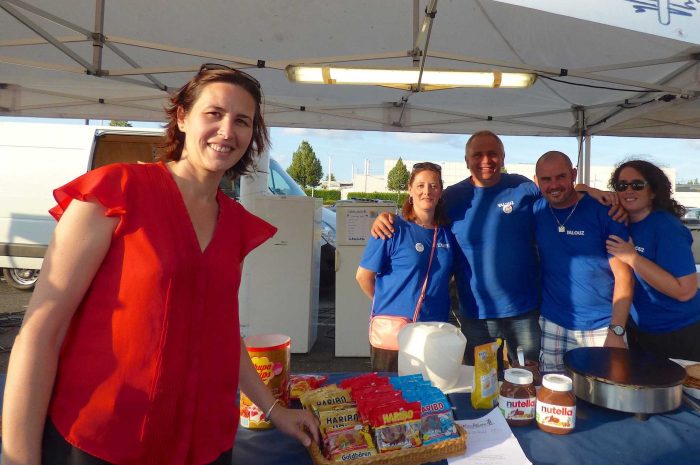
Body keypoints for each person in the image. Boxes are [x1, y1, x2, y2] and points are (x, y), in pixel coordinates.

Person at [1, 64, 319, 465]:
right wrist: (17, 457)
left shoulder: (236, 223)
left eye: (242, 121)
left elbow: (220, 333)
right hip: (101, 439)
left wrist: (275, 411)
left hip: (202, 444)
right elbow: (40, 333)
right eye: (214, 114)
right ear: (182, 117)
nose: (227, 131)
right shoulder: (116, 193)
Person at [372, 131, 542, 366]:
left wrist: (597, 193)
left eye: (492, 154)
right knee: (481, 386)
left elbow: (561, 194)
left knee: (529, 377)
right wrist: (387, 217)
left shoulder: (523, 187)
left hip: (523, 310)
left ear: (503, 157)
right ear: (466, 160)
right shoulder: (452, 197)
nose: (486, 160)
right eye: (478, 154)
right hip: (476, 314)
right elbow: (421, 217)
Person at [533, 151, 634, 372]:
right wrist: (588, 188)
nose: (554, 185)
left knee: (606, 399)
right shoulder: (537, 210)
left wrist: (616, 331)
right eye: (546, 179)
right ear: (537, 181)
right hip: (553, 323)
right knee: (553, 399)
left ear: (573, 174)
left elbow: (624, 276)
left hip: (601, 327)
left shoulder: (606, 213)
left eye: (561, 177)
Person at [357, 162, 455, 371]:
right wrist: (388, 302)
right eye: (420, 185)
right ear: (410, 190)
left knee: (432, 397)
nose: (426, 191)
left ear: (440, 192)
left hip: (434, 332)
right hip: (395, 334)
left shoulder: (448, 233)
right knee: (391, 397)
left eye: (433, 186)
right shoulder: (391, 228)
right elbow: (363, 276)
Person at [606, 160, 700, 360]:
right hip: (642, 330)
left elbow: (686, 290)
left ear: (653, 191)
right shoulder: (623, 222)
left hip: (681, 330)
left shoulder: (666, 227)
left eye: (637, 185)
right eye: (622, 186)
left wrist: (632, 257)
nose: (628, 190)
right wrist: (585, 188)